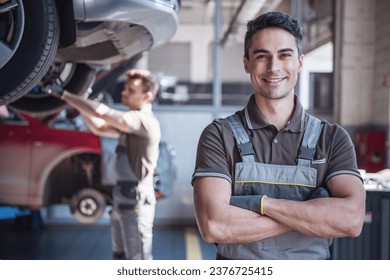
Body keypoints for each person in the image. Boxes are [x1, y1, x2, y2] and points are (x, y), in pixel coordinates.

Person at [191, 11, 366, 260]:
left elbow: (351, 219)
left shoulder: (332, 138)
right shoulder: (220, 135)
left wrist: (260, 204)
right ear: (246, 63)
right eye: (262, 56)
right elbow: (214, 226)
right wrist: (312, 214)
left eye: (285, 55)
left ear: (300, 62)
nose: (274, 67)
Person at [53, 69, 161, 260]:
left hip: (136, 204)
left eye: (131, 89)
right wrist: (79, 104)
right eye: (125, 87)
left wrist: (64, 94)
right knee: (119, 258)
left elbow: (100, 112)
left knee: (138, 262)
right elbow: (98, 126)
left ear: (147, 96)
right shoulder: (130, 125)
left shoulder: (144, 121)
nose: (124, 92)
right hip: (122, 202)